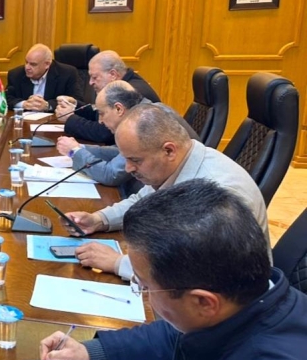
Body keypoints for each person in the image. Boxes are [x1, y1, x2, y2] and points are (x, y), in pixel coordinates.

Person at [40, 180, 307, 360]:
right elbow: (178, 336)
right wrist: (90, 352)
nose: (144, 294)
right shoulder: (257, 301)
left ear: (203, 302)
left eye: (144, 286)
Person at [64, 104, 268, 279]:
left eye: (135, 160)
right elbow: (143, 200)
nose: (128, 168)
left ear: (169, 150)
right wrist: (99, 219)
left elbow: (199, 273)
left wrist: (118, 263)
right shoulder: (179, 162)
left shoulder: (220, 196)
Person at [57, 82, 198, 196]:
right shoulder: (144, 111)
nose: (100, 121)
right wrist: (81, 148)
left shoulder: (146, 121)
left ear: (119, 109)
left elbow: (111, 175)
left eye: (102, 113)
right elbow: (119, 153)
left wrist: (75, 152)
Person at [56, 51, 159, 145]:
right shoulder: (125, 84)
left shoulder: (129, 92)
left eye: (95, 77)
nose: (90, 82)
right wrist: (75, 106)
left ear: (113, 74)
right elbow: (101, 115)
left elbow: (104, 133)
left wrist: (70, 119)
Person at [6, 44, 83, 111]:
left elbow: (76, 101)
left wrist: (48, 105)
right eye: (26, 62)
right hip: (25, 120)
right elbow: (7, 99)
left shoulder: (67, 73)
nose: (27, 67)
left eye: (33, 64)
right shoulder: (16, 74)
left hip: (54, 120)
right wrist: (24, 104)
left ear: (47, 64)